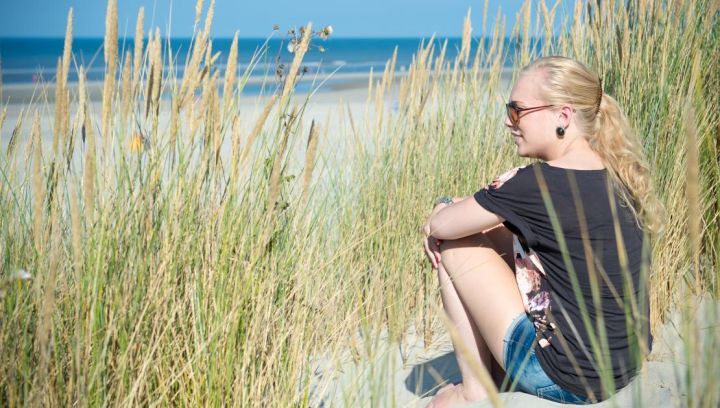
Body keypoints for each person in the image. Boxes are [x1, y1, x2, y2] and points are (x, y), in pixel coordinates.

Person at [422, 56, 663, 407]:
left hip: (565, 380)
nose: (508, 121)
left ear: (562, 116)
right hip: (622, 367)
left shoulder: (537, 184)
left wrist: (442, 206)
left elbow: (442, 226)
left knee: (452, 244)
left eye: (517, 110)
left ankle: (473, 390)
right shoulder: (615, 173)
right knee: (501, 234)